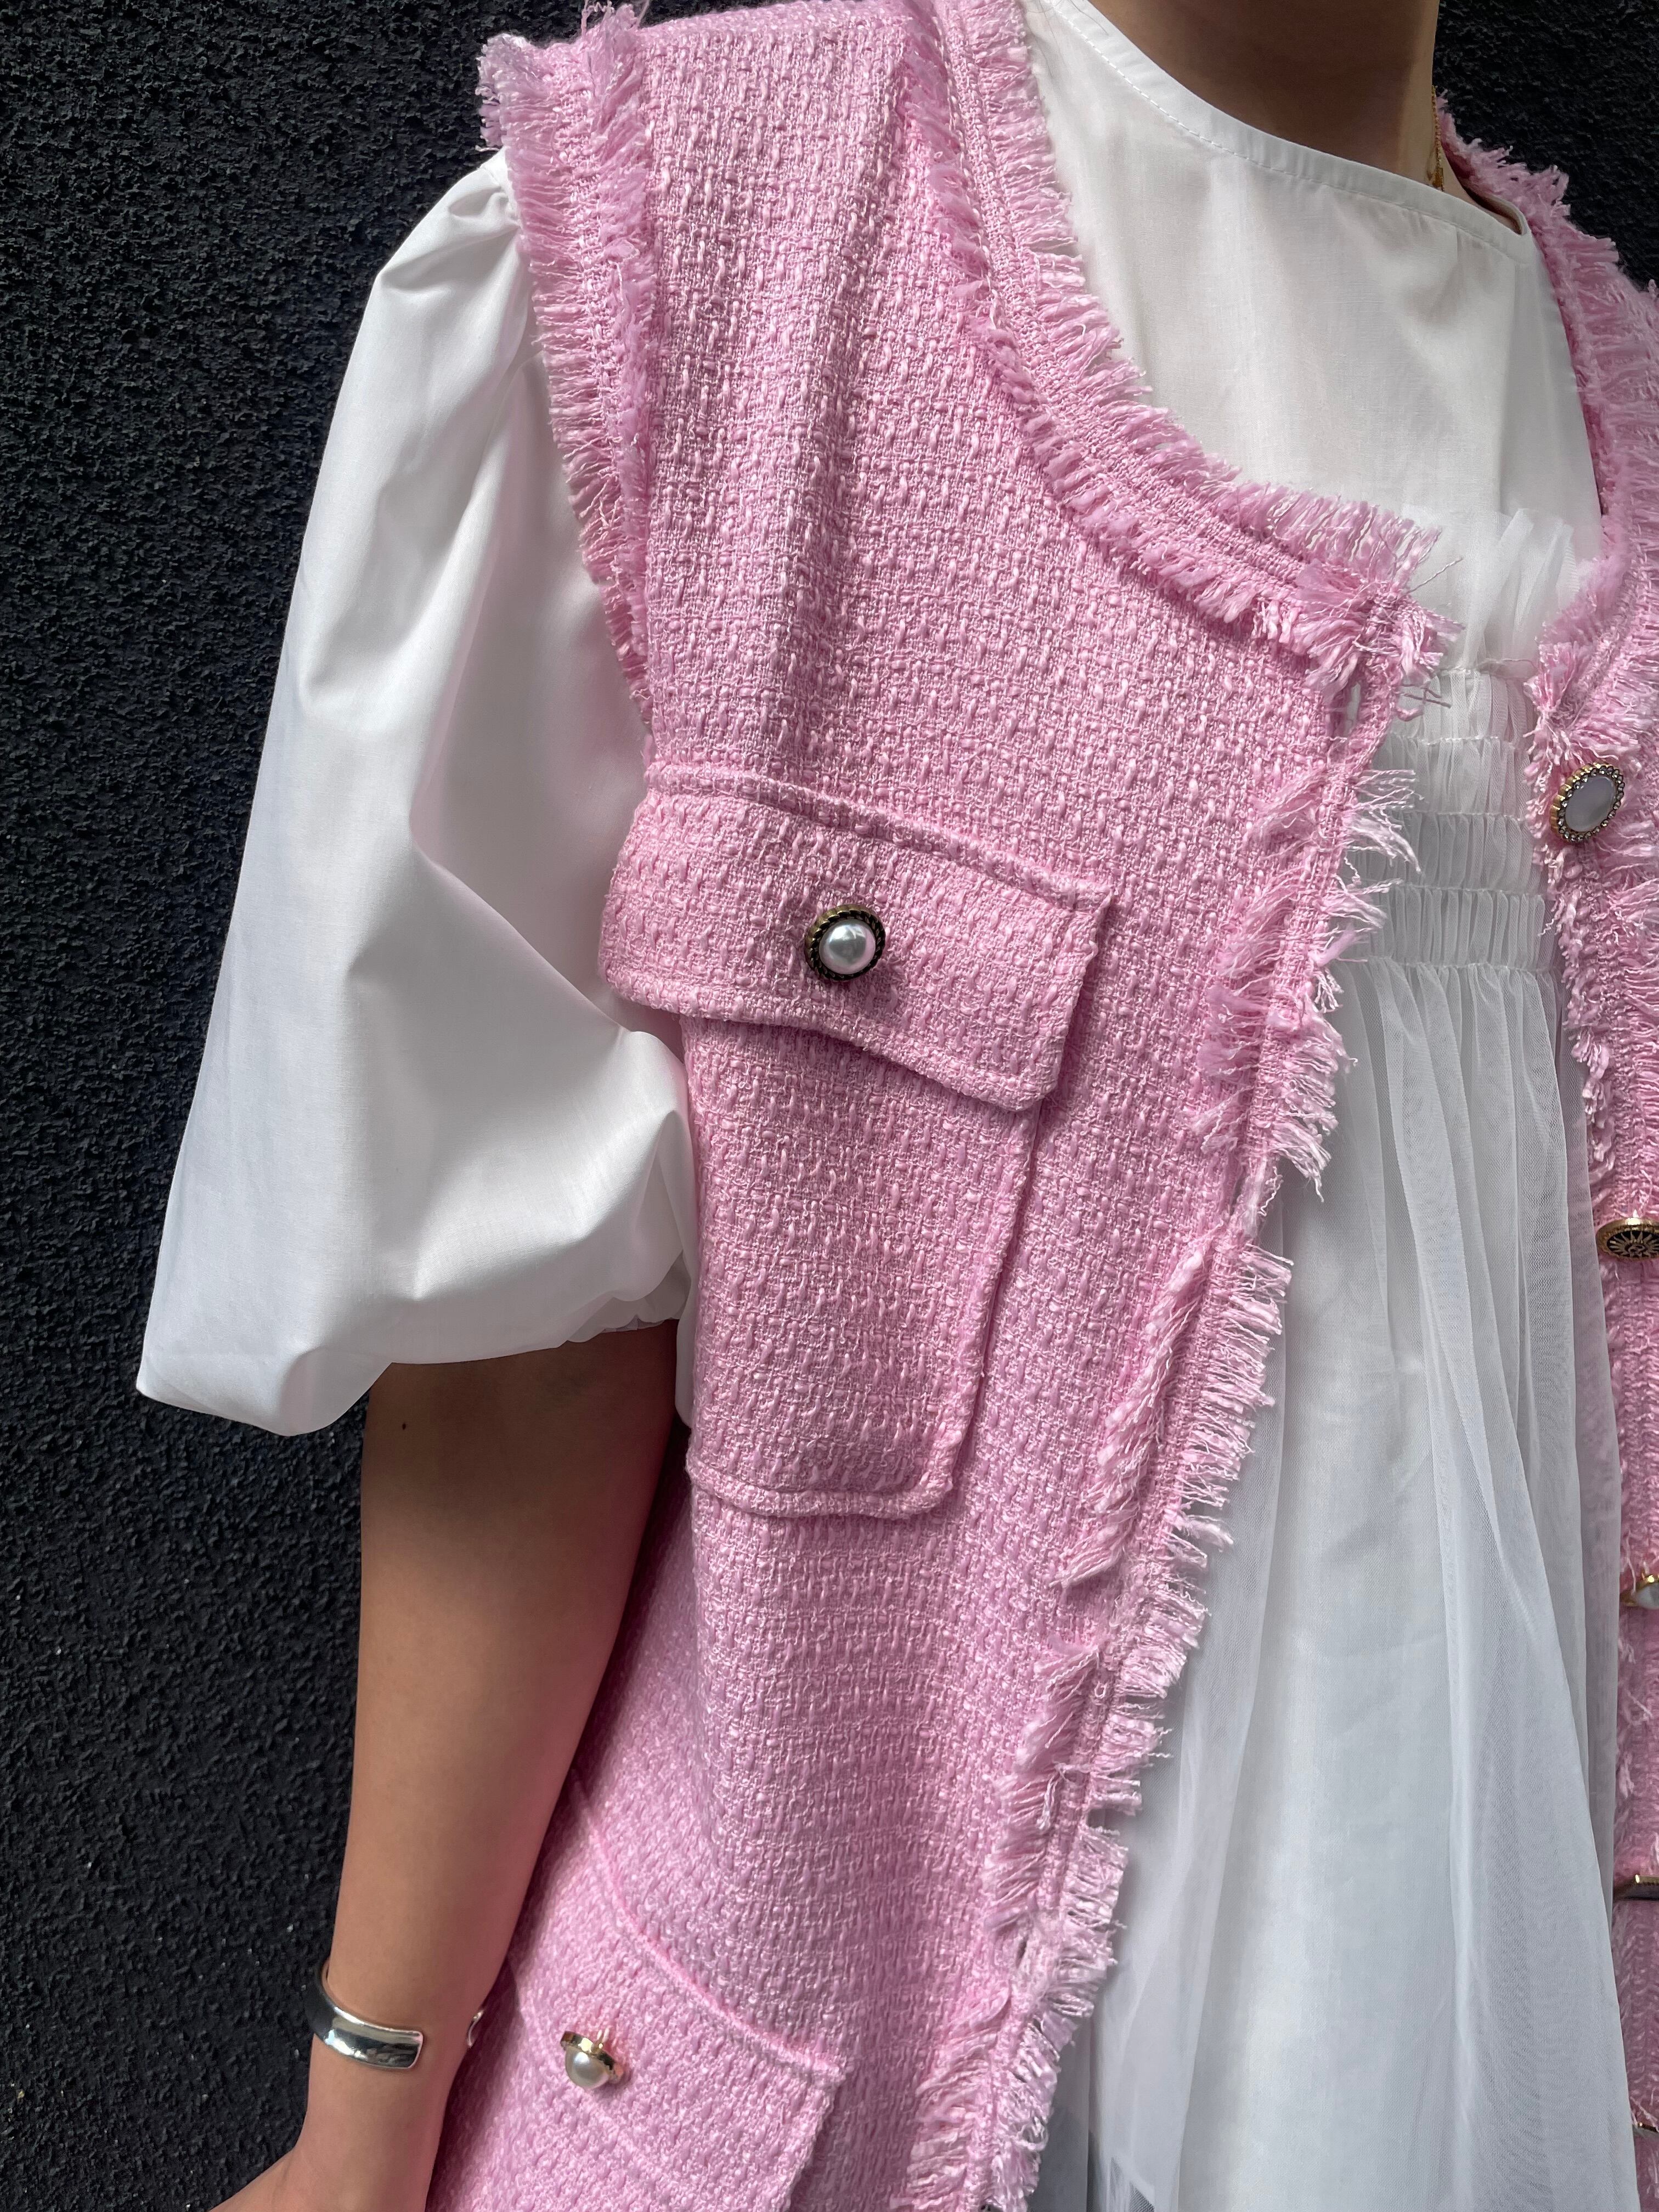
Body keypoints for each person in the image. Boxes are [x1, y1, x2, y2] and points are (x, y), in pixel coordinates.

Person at [139, 0, 1659, 2204]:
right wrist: (362, 2122)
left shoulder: (1621, 393)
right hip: (841, 2077)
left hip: (1489, 2057)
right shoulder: (697, 240)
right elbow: (521, 1334)